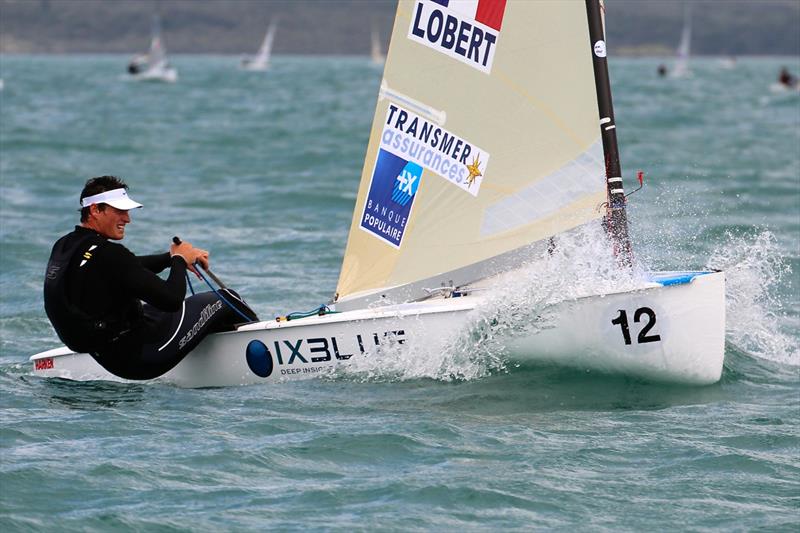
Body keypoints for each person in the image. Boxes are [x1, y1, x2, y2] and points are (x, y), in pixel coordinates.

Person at [43, 176, 258, 380]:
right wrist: (180, 260)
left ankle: (212, 341)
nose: (127, 218)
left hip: (107, 355)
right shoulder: (109, 254)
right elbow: (171, 299)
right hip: (146, 356)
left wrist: (169, 258)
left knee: (154, 309)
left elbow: (126, 269)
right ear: (95, 210)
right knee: (226, 298)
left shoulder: (65, 245)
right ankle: (264, 343)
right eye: (119, 211)